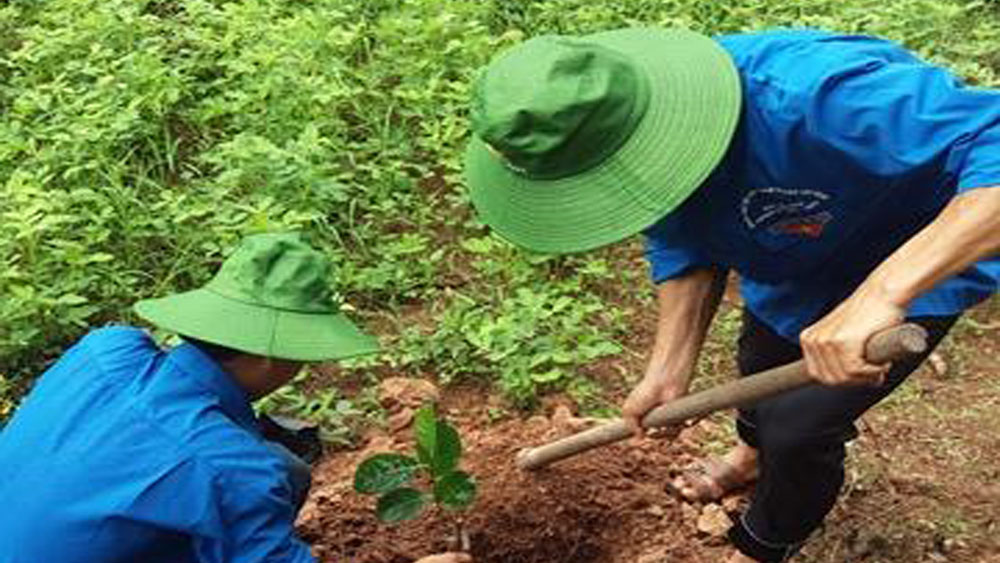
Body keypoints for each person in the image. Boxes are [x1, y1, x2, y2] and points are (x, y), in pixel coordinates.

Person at [462, 28, 999, 562]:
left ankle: (766, 541)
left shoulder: (820, 98)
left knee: (799, 428)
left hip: (916, 254)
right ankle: (748, 456)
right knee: (758, 362)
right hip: (788, 255)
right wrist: (669, 367)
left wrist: (881, 293)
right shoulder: (639, 146)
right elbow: (676, 229)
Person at [0, 233, 470, 563]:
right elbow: (222, 470)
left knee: (285, 471)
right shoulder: (233, 471)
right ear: (274, 355)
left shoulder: (107, 348)